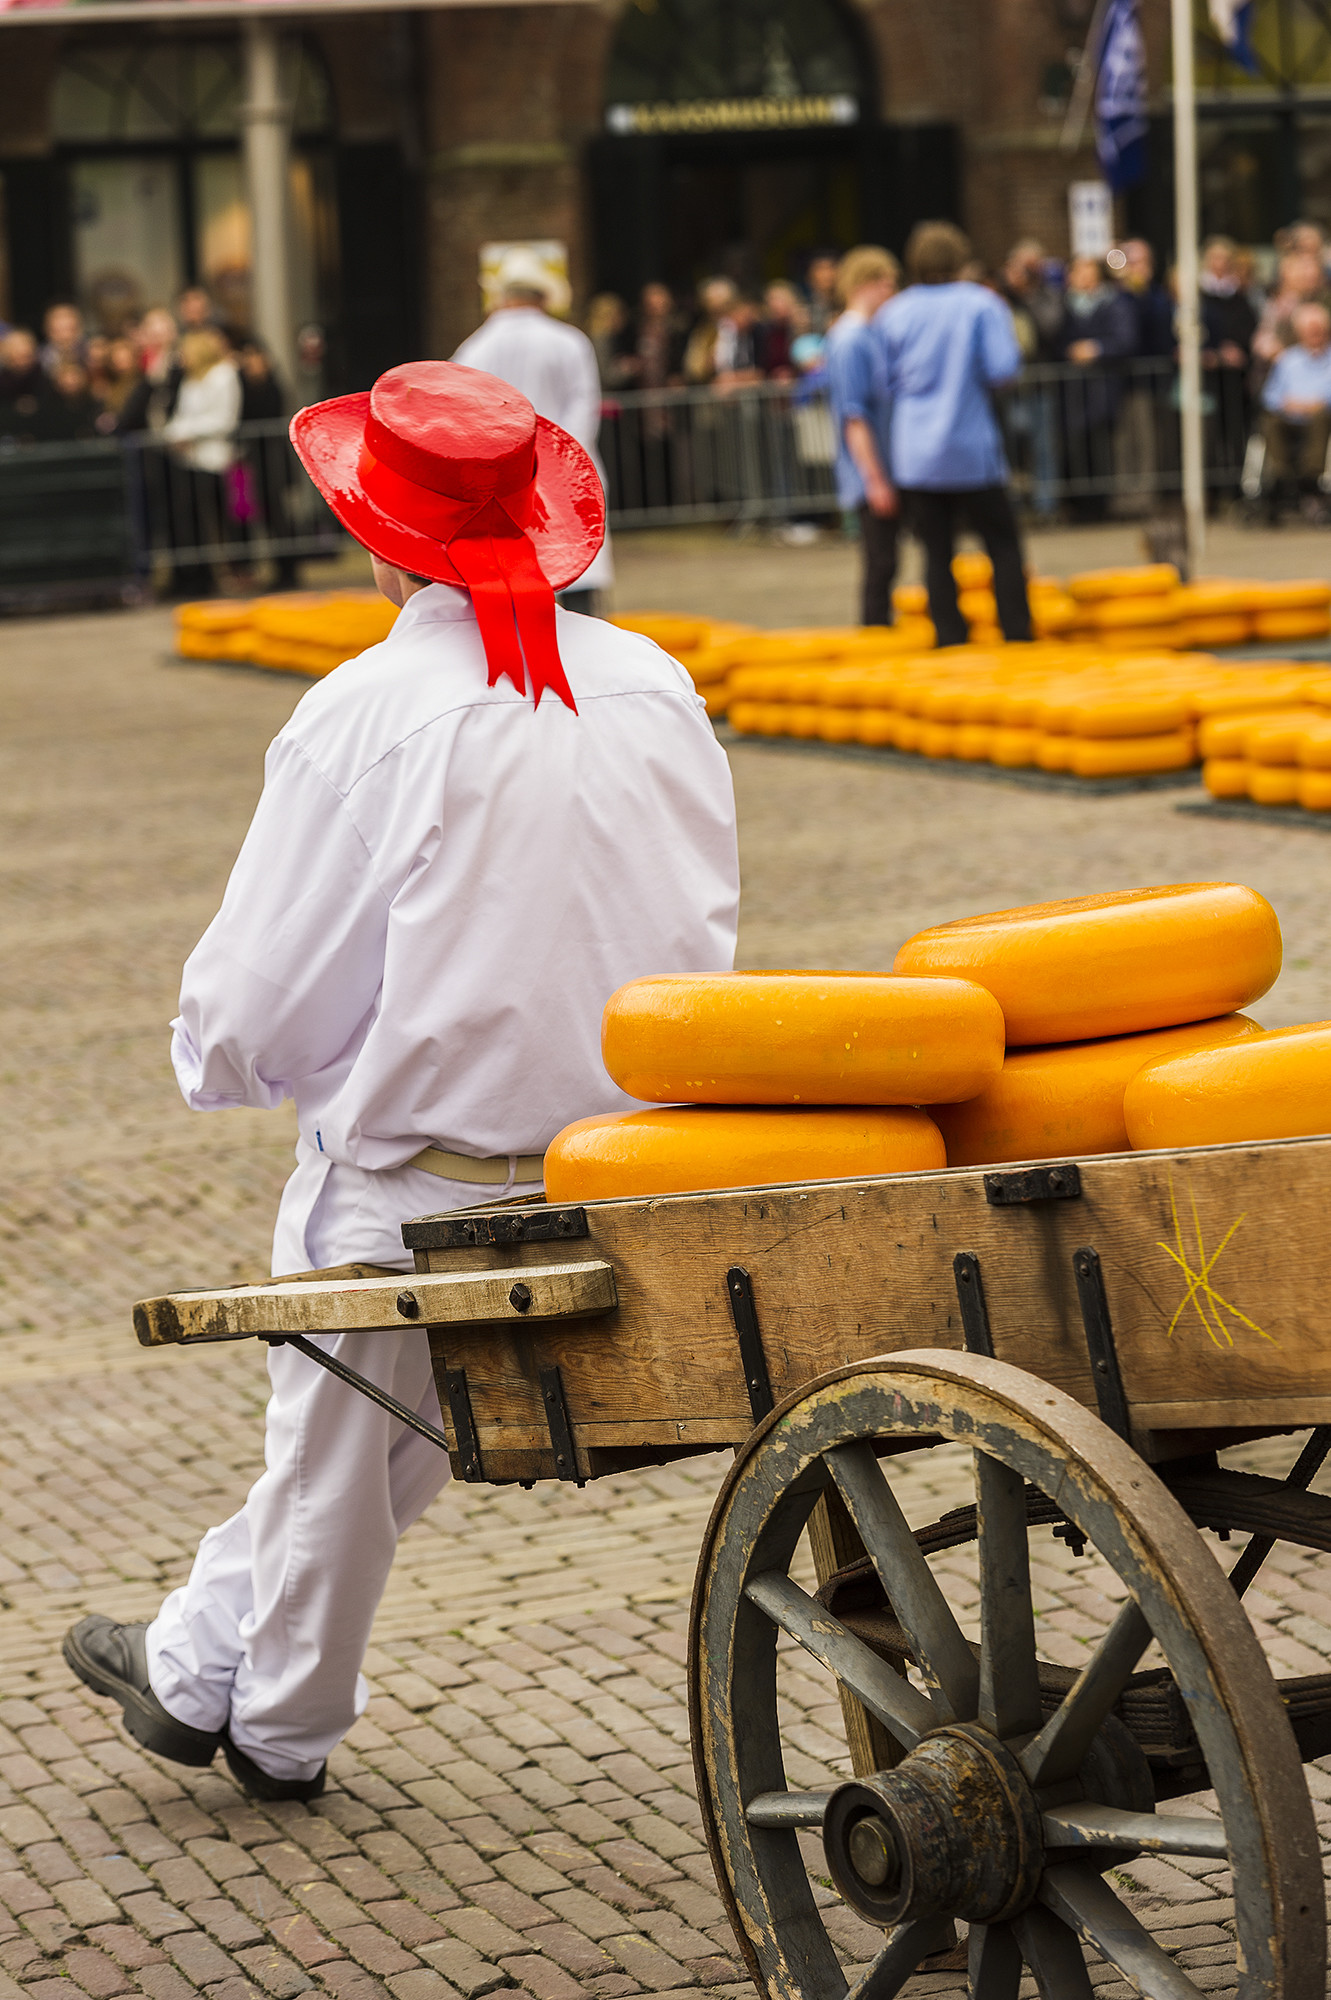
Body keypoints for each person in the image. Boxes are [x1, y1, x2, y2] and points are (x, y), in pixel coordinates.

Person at [63, 357, 739, 1801]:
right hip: (623, 1152)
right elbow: (698, 922)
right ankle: (190, 1664)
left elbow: (258, 999)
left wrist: (229, 1069)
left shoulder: (365, 709)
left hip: (416, 1171)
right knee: (369, 1449)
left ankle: (276, 1728)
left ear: (379, 535)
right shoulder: (657, 680)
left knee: (336, 1446)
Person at [871, 221, 1031, 647]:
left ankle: (950, 636)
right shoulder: (981, 304)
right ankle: (1016, 632)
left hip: (916, 452)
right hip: (970, 444)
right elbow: (1003, 369)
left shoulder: (895, 311)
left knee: (936, 551)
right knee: (1002, 543)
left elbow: (884, 380)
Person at [452, 247, 612, 614]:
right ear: (542, 295)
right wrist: (563, 461)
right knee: (577, 569)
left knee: (511, 578)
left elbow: (462, 418)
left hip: (500, 479)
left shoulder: (473, 350)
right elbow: (583, 407)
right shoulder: (569, 342)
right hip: (566, 472)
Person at [825, 245, 900, 625]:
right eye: (886, 284)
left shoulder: (864, 335)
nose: (892, 294)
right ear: (866, 285)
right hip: (869, 468)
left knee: (885, 561)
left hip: (876, 464)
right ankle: (876, 632)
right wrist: (874, 479)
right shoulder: (851, 340)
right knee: (881, 562)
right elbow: (854, 417)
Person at [1055, 254, 1138, 521]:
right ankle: (1077, 506)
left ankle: (1100, 506)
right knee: (1074, 448)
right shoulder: (1063, 305)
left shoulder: (1113, 303)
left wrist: (1097, 349)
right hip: (1071, 392)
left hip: (1102, 389)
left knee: (1100, 447)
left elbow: (1125, 340)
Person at [160, 326, 242, 597]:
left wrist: (186, 432)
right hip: (188, 459)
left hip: (213, 460)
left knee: (213, 522)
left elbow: (224, 419)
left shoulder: (223, 375)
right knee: (189, 522)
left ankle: (217, 576)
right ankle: (193, 577)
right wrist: (173, 433)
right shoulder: (190, 379)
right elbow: (181, 415)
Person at [1259, 300, 1331, 520]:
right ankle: (1282, 476)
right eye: (1310, 330)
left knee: (1320, 418)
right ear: (1300, 333)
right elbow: (1270, 395)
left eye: (1318, 330)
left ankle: (1310, 476)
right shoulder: (1288, 359)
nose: (1314, 335)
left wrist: (1318, 403)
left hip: (1321, 417)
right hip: (1290, 417)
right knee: (1271, 422)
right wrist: (1286, 404)